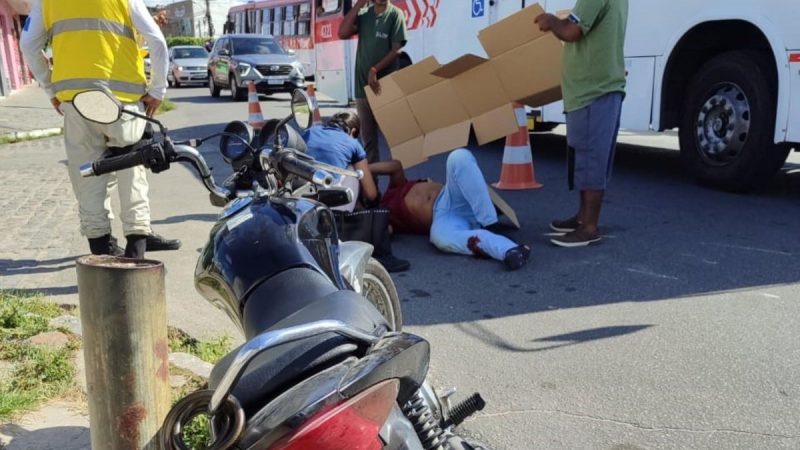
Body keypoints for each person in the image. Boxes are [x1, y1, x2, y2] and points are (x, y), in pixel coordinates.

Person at [20, 0, 180, 259]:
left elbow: (28, 45)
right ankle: (136, 248)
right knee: (132, 171)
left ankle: (101, 250)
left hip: (76, 102)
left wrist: (51, 89)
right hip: (123, 103)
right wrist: (157, 89)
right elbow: (157, 41)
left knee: (87, 176)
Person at [535, 1, 628, 247]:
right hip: (595, 89)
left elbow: (571, 31)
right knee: (587, 160)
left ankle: (588, 228)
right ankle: (582, 217)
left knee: (590, 160)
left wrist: (551, 21)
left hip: (591, 90)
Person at [373, 149, 530, 270]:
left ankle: (490, 223)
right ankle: (509, 250)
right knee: (439, 238)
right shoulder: (384, 217)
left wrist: (362, 169)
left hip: (451, 196)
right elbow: (387, 231)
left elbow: (395, 165)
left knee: (458, 156)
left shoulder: (392, 189)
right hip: (444, 219)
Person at [303, 111, 410, 272]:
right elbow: (371, 193)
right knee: (354, 170)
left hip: (303, 199)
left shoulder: (310, 132)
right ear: (353, 132)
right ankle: (379, 249)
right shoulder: (352, 143)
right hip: (332, 205)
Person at [338, 0, 408, 163]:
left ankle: (395, 185)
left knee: (393, 139)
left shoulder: (395, 14)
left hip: (384, 87)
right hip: (362, 88)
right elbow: (342, 33)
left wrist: (374, 70)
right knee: (369, 141)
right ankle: (373, 186)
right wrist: (358, 5)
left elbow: (396, 49)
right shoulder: (364, 15)